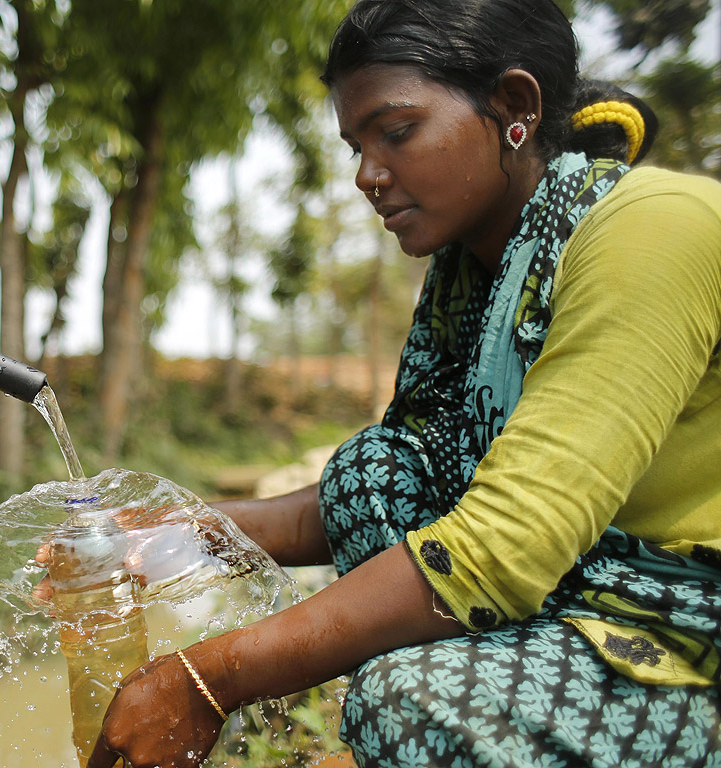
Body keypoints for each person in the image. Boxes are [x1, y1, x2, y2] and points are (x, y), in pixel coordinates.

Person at [83, 1, 721, 766]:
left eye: (396, 132)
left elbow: (504, 543)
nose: (367, 175)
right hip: (582, 595)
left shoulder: (655, 231)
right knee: (369, 475)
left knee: (412, 702)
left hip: (685, 630)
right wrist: (183, 535)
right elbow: (416, 478)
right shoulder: (475, 272)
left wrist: (206, 679)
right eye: (357, 145)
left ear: (514, 107)